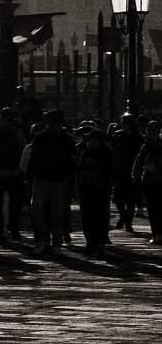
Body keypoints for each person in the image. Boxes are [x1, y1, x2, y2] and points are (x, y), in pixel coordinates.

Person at [27, 108, 76, 254]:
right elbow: (33, 159)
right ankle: (44, 240)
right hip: (43, 178)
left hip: (58, 180)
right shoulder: (41, 137)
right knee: (39, 211)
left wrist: (70, 181)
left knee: (56, 213)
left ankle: (54, 242)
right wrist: (29, 177)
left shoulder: (66, 139)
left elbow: (72, 163)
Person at [76, 121, 114, 256]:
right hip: (86, 189)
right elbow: (79, 169)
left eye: (92, 139)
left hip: (100, 190)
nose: (89, 142)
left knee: (100, 216)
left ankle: (99, 243)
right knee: (87, 217)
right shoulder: (85, 153)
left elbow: (109, 171)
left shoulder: (106, 153)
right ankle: (91, 242)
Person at [0, 106, 26, 245]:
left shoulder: (17, 132)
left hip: (13, 172)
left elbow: (23, 148)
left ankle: (12, 226)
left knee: (15, 204)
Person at [111, 113, 142, 232]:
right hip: (120, 171)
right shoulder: (118, 135)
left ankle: (128, 222)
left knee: (131, 199)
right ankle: (123, 215)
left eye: (125, 123)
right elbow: (114, 153)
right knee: (119, 197)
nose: (123, 126)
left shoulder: (138, 138)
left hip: (132, 170)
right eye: (122, 123)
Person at [133, 119, 162, 243]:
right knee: (152, 208)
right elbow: (138, 162)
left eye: (154, 130)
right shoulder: (145, 147)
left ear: (158, 131)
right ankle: (156, 234)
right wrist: (135, 175)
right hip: (149, 181)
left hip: (160, 180)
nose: (151, 132)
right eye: (149, 130)